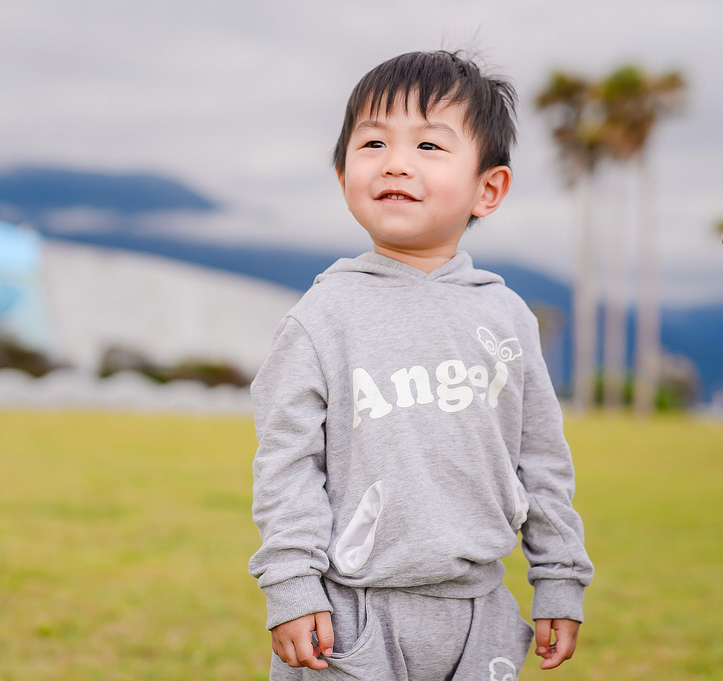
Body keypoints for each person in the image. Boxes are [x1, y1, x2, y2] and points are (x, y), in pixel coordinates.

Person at [249, 51, 593, 681]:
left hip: (481, 612)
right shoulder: (322, 316)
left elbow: (541, 459)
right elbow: (287, 463)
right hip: (351, 614)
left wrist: (560, 577)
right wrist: (291, 585)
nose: (395, 162)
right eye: (373, 142)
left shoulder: (509, 318)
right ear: (342, 173)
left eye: (430, 146)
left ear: (488, 188)